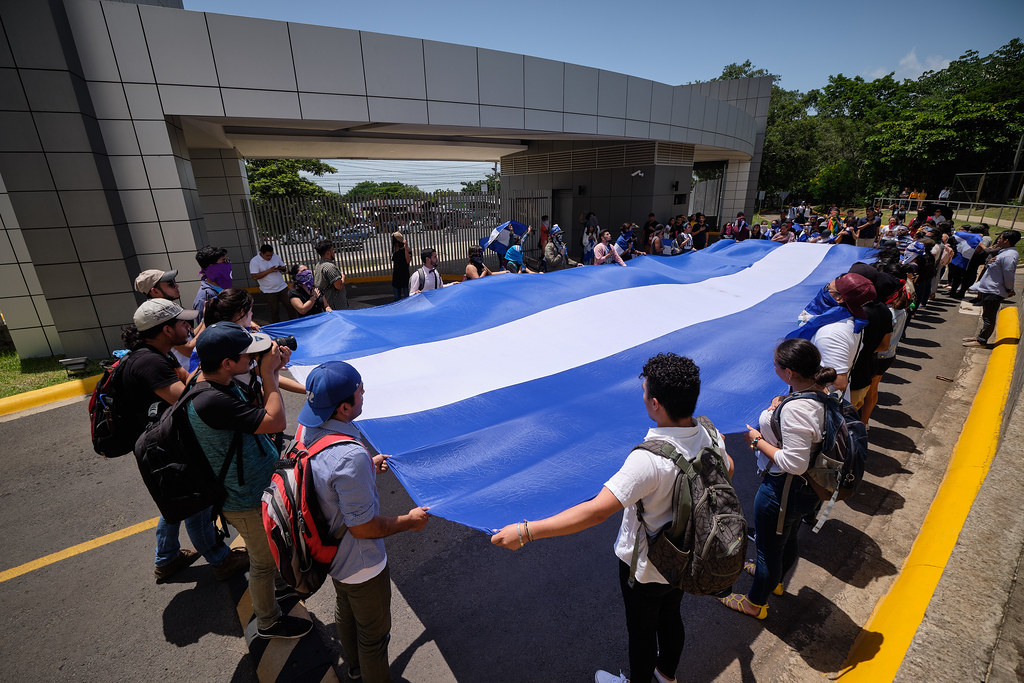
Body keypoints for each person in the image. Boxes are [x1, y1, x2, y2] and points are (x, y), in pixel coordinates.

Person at [491, 354, 732, 683]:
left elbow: (596, 511)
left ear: (656, 403)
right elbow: (727, 469)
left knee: (642, 632)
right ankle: (667, 675)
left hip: (647, 566)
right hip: (688, 555)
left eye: (645, 391)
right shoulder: (710, 431)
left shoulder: (648, 459)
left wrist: (526, 531)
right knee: (671, 616)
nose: (643, 395)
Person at [300, 361, 431, 682]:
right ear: (345, 407)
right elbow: (364, 527)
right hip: (361, 562)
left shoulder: (309, 430)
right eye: (359, 391)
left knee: (345, 609)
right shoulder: (349, 455)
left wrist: (366, 468)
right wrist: (409, 521)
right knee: (374, 637)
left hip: (328, 551)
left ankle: (355, 668)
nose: (364, 393)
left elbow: (325, 478)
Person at [191, 322, 311, 640]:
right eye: (245, 355)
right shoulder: (210, 400)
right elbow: (276, 420)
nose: (251, 359)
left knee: (272, 551)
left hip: (252, 486)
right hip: (244, 499)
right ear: (227, 363)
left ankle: (281, 586)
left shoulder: (215, 380)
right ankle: (269, 621)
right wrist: (270, 374)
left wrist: (268, 369)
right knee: (261, 563)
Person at [120, 300, 248, 584]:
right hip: (167, 446)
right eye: (182, 324)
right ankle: (221, 559)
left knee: (174, 499)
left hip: (157, 444)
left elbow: (188, 381)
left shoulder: (154, 354)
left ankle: (166, 558)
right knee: (196, 501)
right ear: (166, 330)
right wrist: (213, 362)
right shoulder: (150, 363)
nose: (188, 327)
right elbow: (187, 398)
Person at [717, 339, 832, 620]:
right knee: (788, 536)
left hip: (784, 489)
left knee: (768, 550)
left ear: (790, 372)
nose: (773, 368)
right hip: (807, 490)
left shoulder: (797, 409)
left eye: (776, 366)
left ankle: (755, 602)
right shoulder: (821, 393)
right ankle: (776, 581)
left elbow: (794, 463)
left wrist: (757, 441)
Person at [964, 230, 1020, 347]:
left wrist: (1009, 289)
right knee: (986, 315)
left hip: (995, 290)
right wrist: (989, 261)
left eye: (1000, 238)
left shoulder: (1009, 255)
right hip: (990, 288)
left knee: (989, 317)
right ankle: (981, 335)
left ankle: (982, 340)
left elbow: (1008, 274)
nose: (998, 240)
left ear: (1006, 241)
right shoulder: (1003, 252)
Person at [135, 268, 196, 368]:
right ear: (155, 292)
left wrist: (205, 320)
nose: (176, 285)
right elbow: (189, 350)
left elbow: (192, 336)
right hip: (184, 376)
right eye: (170, 284)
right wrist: (208, 323)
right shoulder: (160, 317)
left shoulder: (172, 310)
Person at [249, 244, 290, 324]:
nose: (270, 257)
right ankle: (277, 326)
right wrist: (269, 271)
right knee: (274, 310)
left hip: (282, 287)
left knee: (290, 306)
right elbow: (255, 276)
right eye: (267, 256)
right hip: (268, 291)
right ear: (261, 253)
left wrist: (279, 268)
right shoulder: (254, 261)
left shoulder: (275, 256)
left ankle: (294, 321)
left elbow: (284, 268)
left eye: (271, 255)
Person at [193, 246, 232, 319]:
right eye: (224, 261)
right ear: (211, 267)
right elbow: (205, 327)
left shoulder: (225, 290)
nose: (228, 264)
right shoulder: (204, 298)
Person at [314, 238, 349, 311]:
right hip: (336, 306)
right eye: (332, 250)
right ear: (328, 253)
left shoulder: (318, 265)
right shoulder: (330, 267)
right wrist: (343, 277)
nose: (334, 252)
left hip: (327, 304)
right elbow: (339, 286)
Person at [390, 232, 411, 301]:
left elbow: (408, 261)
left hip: (405, 276)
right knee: (397, 299)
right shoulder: (396, 251)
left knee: (407, 298)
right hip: (396, 277)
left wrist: (405, 248)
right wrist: (397, 249)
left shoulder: (407, 249)